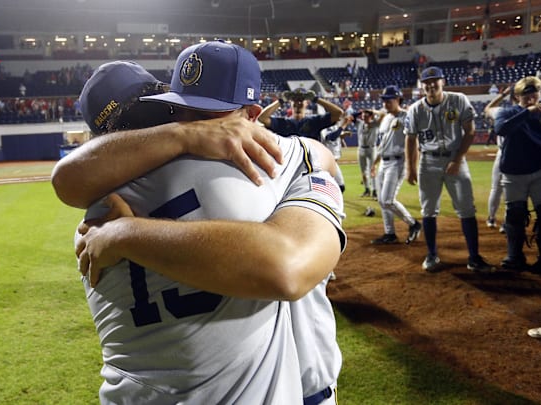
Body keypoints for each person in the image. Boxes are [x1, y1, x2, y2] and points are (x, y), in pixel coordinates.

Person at [57, 44, 344, 403]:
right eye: (180, 110)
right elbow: (287, 262)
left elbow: (64, 179)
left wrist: (126, 232)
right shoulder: (263, 166)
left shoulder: (90, 225)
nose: (192, 120)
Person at [404, 66, 496, 273]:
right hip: (428, 162)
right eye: (426, 82)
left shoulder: (458, 99)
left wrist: (458, 159)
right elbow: (410, 139)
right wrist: (410, 167)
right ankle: (431, 254)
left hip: (456, 159)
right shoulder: (416, 109)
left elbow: (470, 132)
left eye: (435, 81)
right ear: (422, 85)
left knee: (466, 209)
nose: (430, 85)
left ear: (442, 82)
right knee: (428, 210)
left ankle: (474, 257)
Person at [493, 76, 541, 274]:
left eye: (534, 93)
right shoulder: (508, 112)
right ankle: (514, 256)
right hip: (514, 174)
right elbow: (500, 128)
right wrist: (526, 113)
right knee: (515, 215)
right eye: (526, 94)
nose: (531, 97)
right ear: (517, 97)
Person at [370, 85, 422, 245]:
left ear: (398, 99)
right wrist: (374, 163)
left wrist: (412, 168)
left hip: (398, 162)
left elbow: (414, 143)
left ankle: (413, 224)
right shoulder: (385, 118)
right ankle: (390, 233)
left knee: (387, 200)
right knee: (381, 200)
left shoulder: (407, 116)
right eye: (384, 100)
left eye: (389, 100)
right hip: (383, 162)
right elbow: (382, 144)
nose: (386, 103)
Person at [257, 88, 343, 141]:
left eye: (301, 100)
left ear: (307, 103)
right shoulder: (282, 123)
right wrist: (281, 101)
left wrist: (316, 99)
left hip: (311, 164)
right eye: (295, 100)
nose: (298, 103)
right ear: (290, 103)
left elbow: (338, 113)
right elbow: (262, 118)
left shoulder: (315, 121)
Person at [483, 86, 512, 232]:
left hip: (503, 155)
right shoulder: (528, 112)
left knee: (497, 189)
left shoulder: (501, 111)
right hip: (513, 155)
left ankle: (492, 218)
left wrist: (502, 94)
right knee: (508, 191)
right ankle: (503, 222)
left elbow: (488, 107)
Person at [355, 109, 380, 198]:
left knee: (372, 170)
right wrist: (360, 111)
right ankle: (367, 189)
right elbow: (351, 116)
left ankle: (375, 191)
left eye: (366, 116)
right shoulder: (360, 123)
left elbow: (383, 115)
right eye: (363, 116)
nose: (364, 118)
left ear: (371, 116)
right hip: (361, 149)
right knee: (363, 171)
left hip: (372, 149)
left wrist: (373, 111)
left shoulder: (375, 124)